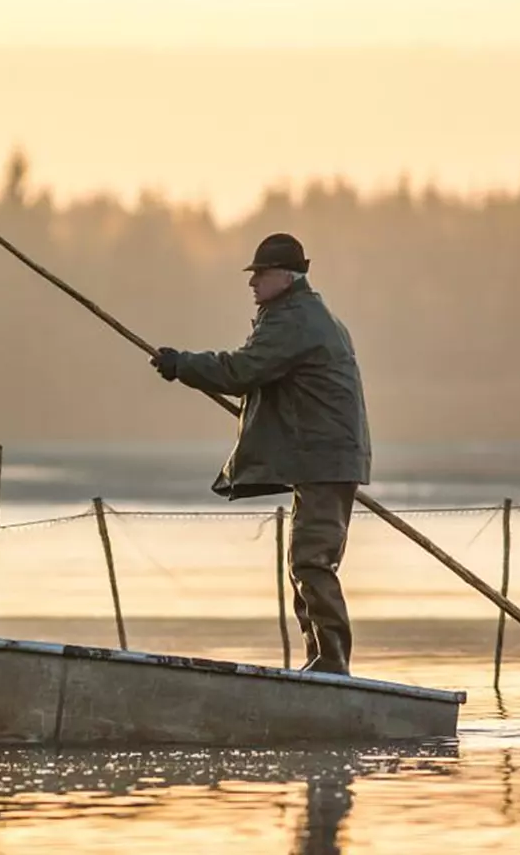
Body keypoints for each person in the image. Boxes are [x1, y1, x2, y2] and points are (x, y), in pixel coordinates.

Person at [149, 233, 371, 675]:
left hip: (324, 460)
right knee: (305, 563)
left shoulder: (295, 320)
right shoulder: (305, 314)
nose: (252, 284)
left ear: (287, 278)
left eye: (260, 275)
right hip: (323, 459)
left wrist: (182, 365)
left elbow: (241, 371)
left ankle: (332, 666)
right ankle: (323, 662)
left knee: (312, 562)